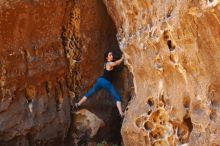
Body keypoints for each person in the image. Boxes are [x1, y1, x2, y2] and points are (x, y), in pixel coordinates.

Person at [75, 51, 125, 118]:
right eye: (110, 55)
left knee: (91, 92)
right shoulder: (109, 63)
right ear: (107, 57)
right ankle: (121, 113)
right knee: (117, 97)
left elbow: (115, 62)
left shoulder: (106, 63)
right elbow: (116, 63)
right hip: (106, 82)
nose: (111, 56)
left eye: (112, 55)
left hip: (100, 80)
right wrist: (123, 57)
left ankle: (78, 104)